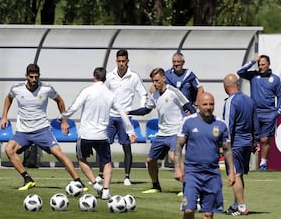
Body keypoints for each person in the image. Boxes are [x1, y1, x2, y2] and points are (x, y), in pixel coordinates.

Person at [0, 63, 86, 190]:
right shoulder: (17, 88)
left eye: (36, 77)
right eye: (31, 77)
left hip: (42, 130)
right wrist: (4, 116)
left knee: (58, 153)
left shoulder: (46, 88)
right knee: (9, 150)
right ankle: (27, 179)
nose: (34, 80)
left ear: (39, 76)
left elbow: (59, 100)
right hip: (23, 132)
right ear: (26, 76)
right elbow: (8, 98)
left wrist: (64, 120)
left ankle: (78, 182)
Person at [58, 67, 137, 199]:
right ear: (105, 78)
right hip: (102, 135)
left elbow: (74, 106)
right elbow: (122, 112)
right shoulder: (110, 94)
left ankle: (95, 185)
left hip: (86, 134)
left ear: (93, 77)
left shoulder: (87, 91)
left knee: (81, 159)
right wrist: (130, 131)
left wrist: (62, 116)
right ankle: (106, 190)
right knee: (107, 162)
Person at [128, 67, 196, 194]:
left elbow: (189, 107)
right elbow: (146, 110)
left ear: (164, 79)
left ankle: (187, 186)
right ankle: (156, 186)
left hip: (176, 132)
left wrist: (195, 124)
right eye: (153, 81)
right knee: (150, 160)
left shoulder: (173, 92)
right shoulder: (154, 95)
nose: (155, 83)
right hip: (161, 134)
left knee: (173, 156)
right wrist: (129, 112)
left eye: (157, 80)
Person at [174, 92, 235, 219]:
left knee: (208, 214)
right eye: (205, 104)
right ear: (198, 105)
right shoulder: (188, 122)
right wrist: (177, 169)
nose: (208, 107)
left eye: (211, 104)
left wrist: (231, 173)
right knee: (189, 210)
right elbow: (179, 145)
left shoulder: (221, 124)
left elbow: (227, 150)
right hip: (192, 173)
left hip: (212, 174)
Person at [97, 49, 148, 186]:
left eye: (123, 61)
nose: (121, 64)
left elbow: (143, 93)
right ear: (116, 61)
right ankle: (101, 174)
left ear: (127, 61)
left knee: (126, 146)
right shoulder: (109, 76)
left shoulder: (134, 77)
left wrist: (139, 108)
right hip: (110, 116)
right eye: (119, 61)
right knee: (103, 144)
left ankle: (126, 177)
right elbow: (102, 91)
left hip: (125, 117)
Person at [223, 74, 260, 216]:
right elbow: (255, 122)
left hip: (235, 143)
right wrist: (255, 141)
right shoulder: (249, 100)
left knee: (235, 174)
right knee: (239, 175)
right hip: (246, 143)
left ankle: (242, 207)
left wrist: (223, 144)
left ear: (226, 85)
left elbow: (228, 125)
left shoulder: (231, 101)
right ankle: (235, 205)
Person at [237, 54, 281, 171]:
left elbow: (280, 96)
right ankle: (246, 162)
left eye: (263, 64)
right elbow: (240, 72)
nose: (260, 67)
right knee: (250, 139)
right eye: (259, 64)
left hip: (269, 113)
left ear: (268, 64)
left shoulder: (275, 79)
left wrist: (277, 111)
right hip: (254, 113)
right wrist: (252, 61)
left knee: (264, 139)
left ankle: (263, 164)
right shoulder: (253, 76)